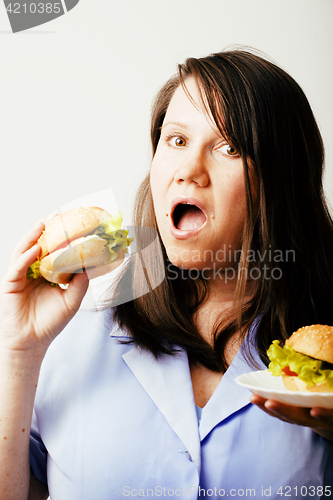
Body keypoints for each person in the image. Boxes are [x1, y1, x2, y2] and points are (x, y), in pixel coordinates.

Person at [0, 48, 333, 500]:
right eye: (176, 141)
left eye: (229, 147)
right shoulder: (76, 329)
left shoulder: (322, 349)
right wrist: (20, 350)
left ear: (281, 181)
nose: (188, 173)